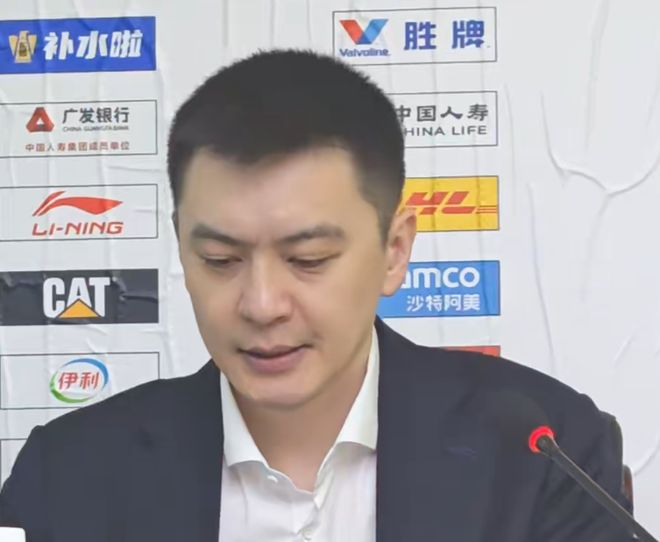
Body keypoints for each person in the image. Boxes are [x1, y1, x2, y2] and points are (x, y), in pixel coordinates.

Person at [0, 49, 634, 541]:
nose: (262, 304)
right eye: (220, 260)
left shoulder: (547, 453)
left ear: (394, 250)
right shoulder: (69, 473)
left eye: (308, 260)